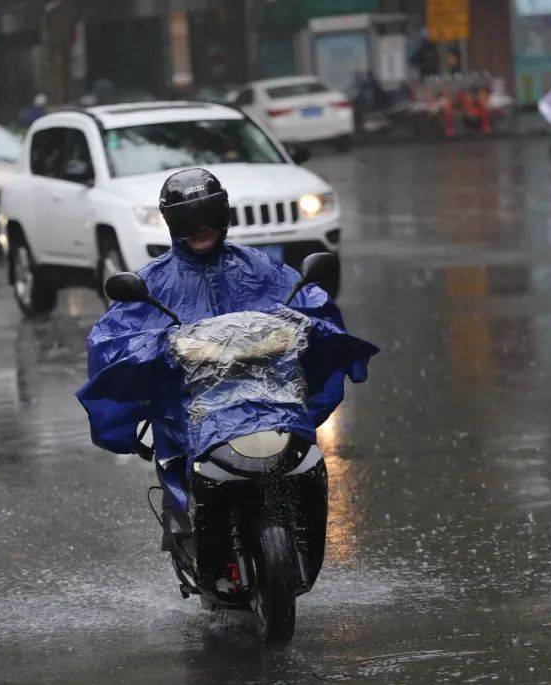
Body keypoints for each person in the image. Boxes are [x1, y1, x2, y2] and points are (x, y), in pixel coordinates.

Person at [76, 168, 376, 541]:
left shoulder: (260, 268)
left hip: (270, 404)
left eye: (209, 215)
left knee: (307, 462)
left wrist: (301, 327)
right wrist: (163, 346)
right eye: (187, 218)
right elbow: (109, 342)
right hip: (190, 413)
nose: (200, 227)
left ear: (224, 214)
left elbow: (312, 307)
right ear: (171, 223)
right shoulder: (153, 283)